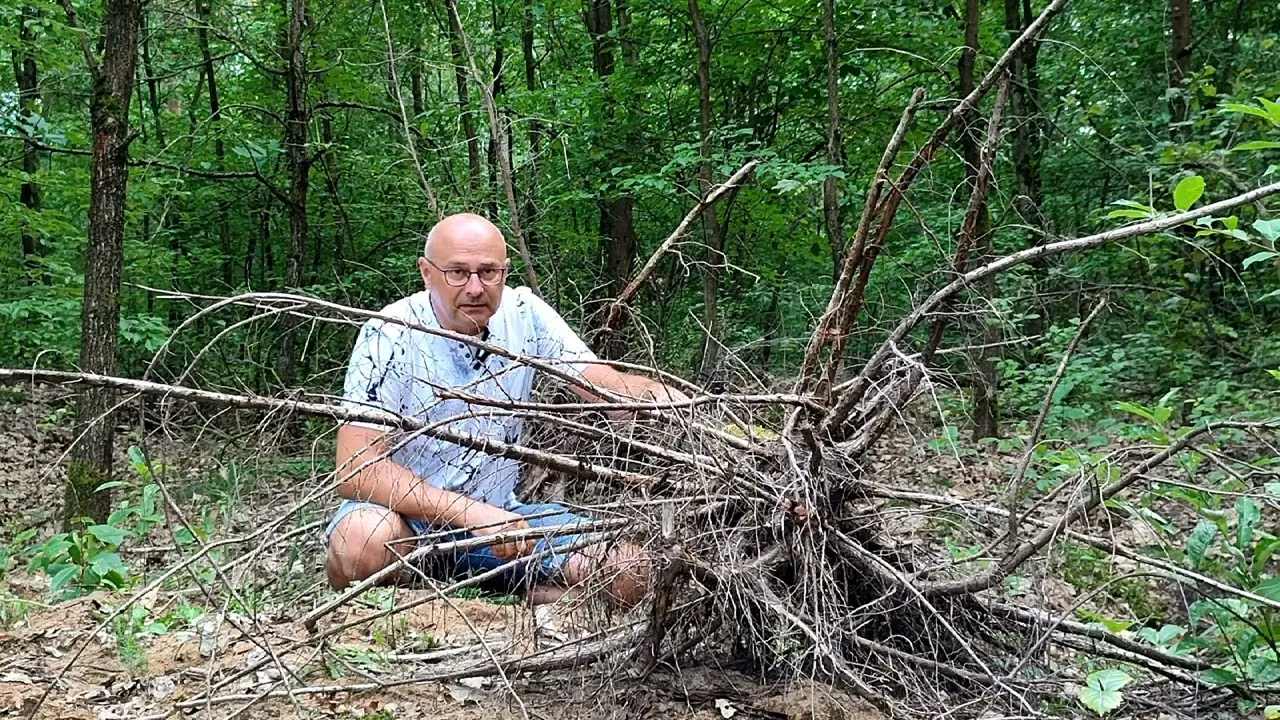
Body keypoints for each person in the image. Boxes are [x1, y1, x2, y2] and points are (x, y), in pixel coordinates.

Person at [324, 213, 687, 608]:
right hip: (409, 521)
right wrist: (471, 513)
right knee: (360, 541)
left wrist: (666, 401)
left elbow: (600, 382)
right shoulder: (389, 333)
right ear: (427, 273)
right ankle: (416, 601)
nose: (475, 288)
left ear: (505, 271)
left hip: (504, 522)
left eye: (488, 272)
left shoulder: (524, 315)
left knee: (634, 569)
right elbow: (356, 468)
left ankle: (514, 591)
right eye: (457, 273)